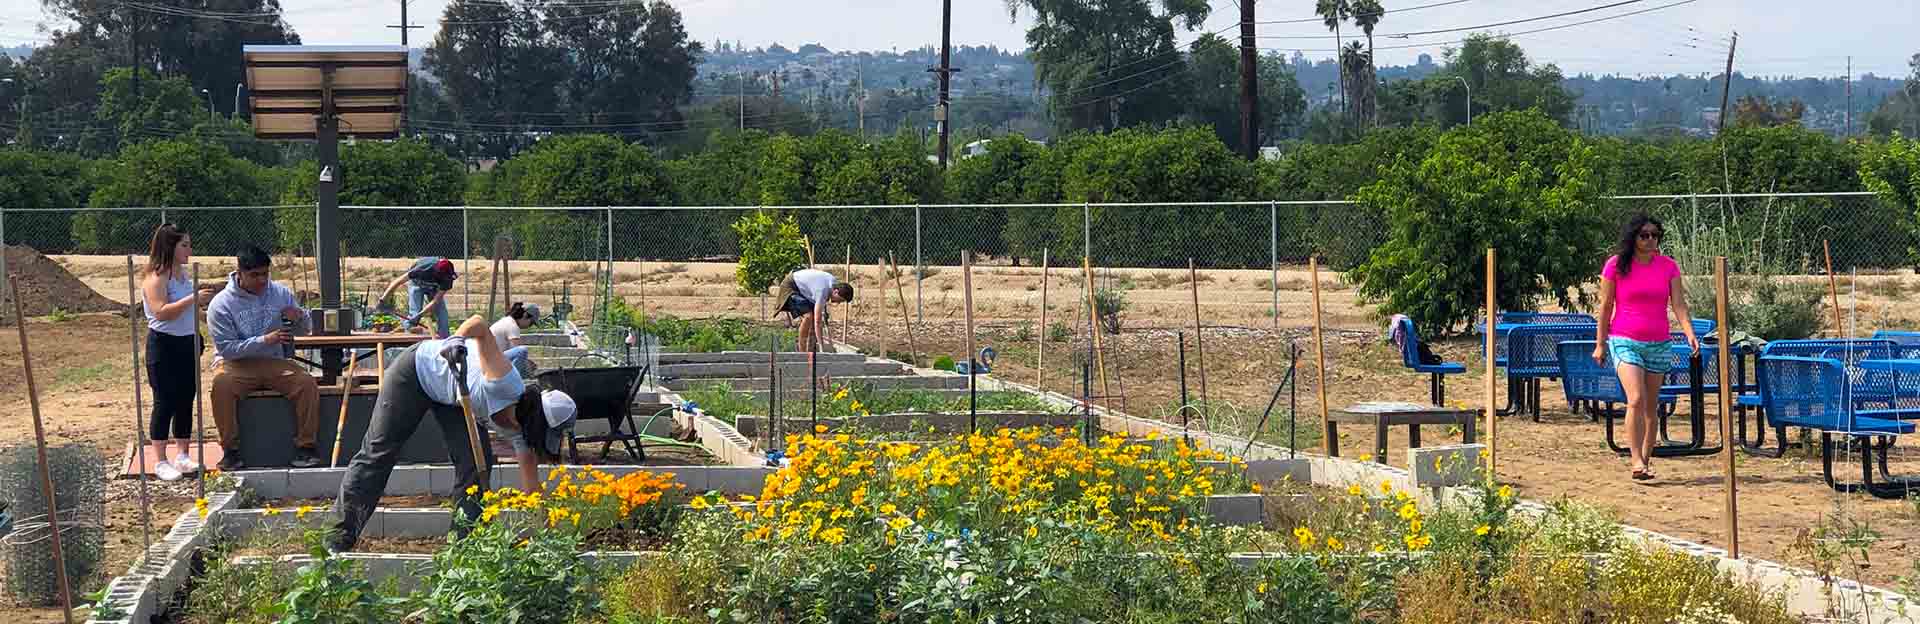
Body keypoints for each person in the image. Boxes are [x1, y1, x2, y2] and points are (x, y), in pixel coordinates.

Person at [330, 315, 537, 552]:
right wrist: (457, 338)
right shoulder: (504, 383)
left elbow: (532, 491)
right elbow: (480, 323)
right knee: (378, 454)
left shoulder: (525, 431)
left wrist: (540, 532)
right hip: (417, 370)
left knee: (475, 463)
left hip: (456, 395)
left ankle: (465, 547)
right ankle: (337, 540)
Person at [1592, 214, 1698, 482]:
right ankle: (1635, 458)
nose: (1650, 240)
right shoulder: (1616, 266)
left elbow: (1679, 304)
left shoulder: (1668, 267)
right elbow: (1605, 307)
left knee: (1651, 407)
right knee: (1636, 399)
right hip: (1624, 338)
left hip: (1659, 341)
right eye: (1644, 235)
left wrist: (1689, 333)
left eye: (1655, 235)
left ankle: (1645, 463)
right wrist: (1600, 343)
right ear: (1633, 237)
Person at [208, 246, 322, 471]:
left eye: (265, 274)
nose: (261, 280)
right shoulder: (221, 305)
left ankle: (306, 448)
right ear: (239, 273)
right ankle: (230, 451)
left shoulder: (281, 293)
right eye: (254, 275)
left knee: (305, 382)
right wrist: (264, 340)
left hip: (275, 362)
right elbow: (227, 349)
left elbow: (305, 329)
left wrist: (299, 317)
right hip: (235, 365)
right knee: (221, 385)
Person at [140, 224, 218, 481]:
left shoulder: (184, 275)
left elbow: (189, 312)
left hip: (187, 342)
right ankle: (160, 459)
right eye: (184, 245)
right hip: (164, 344)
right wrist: (193, 299)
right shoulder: (157, 277)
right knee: (165, 400)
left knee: (187, 397)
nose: (189, 250)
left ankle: (183, 454)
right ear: (170, 247)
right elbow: (161, 311)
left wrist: (202, 323)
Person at [771, 267, 853, 352]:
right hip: (791, 286)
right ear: (836, 292)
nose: (838, 302)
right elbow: (818, 322)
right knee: (808, 316)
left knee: (813, 320)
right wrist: (822, 347)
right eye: (839, 300)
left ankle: (810, 352)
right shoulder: (822, 291)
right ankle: (802, 352)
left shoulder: (834, 284)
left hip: (804, 290)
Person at [378, 257, 458, 338]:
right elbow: (398, 282)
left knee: (442, 314)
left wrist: (420, 315)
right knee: (414, 313)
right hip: (416, 284)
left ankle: (444, 339)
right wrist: (383, 299)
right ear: (437, 272)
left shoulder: (448, 278)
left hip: (434, 289)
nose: (445, 279)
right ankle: (409, 337)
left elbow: (435, 301)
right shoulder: (423, 268)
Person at [489, 302, 541, 375]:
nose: (530, 326)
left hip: (489, 359)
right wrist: (527, 365)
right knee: (523, 352)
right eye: (531, 322)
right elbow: (519, 352)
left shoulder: (506, 321)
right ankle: (515, 380)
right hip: (492, 362)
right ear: (525, 315)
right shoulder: (512, 326)